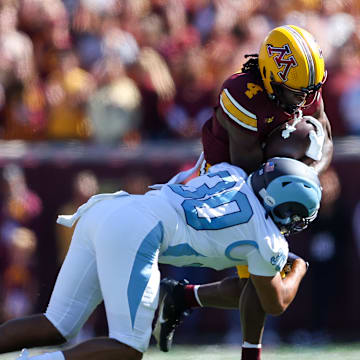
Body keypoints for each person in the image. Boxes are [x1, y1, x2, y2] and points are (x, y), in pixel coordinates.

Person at [0, 157, 321, 360]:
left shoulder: (231, 172)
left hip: (110, 208)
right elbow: (274, 302)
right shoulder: (267, 240)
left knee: (57, 325)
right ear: (284, 206)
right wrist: (300, 269)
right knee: (127, 347)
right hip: (139, 230)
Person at [153, 24, 333, 360]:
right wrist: (292, 175)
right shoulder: (241, 94)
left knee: (261, 282)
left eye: (310, 92)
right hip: (223, 182)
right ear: (268, 76)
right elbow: (248, 169)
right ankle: (187, 299)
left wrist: (309, 181)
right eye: (297, 93)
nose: (304, 101)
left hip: (266, 178)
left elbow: (324, 137)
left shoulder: (303, 89)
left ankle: (185, 298)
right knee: (267, 289)